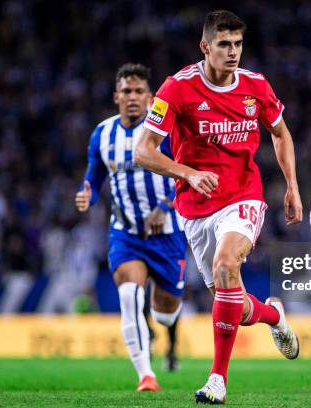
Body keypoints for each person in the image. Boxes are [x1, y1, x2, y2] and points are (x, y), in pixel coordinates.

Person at [135, 10, 303, 404]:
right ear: (205, 47)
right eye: (224, 44)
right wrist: (188, 174)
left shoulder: (256, 87)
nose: (233, 52)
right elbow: (144, 151)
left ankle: (217, 380)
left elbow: (280, 135)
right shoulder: (177, 89)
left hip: (243, 196)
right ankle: (273, 315)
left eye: (238, 44)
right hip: (195, 207)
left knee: (226, 265)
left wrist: (292, 186)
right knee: (235, 304)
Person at [75, 63, 186, 392]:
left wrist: (165, 207)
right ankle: (145, 375)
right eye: (127, 91)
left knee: (166, 312)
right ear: (116, 96)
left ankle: (162, 326)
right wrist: (87, 193)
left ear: (150, 97)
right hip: (125, 233)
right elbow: (94, 175)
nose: (133, 97)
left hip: (167, 233)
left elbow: (186, 173)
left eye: (139, 91)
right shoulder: (102, 133)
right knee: (127, 295)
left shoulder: (166, 131)